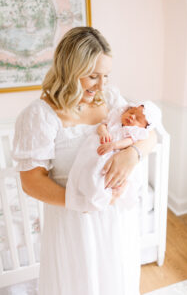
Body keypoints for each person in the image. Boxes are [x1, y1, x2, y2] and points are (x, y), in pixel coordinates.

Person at [12, 26, 157, 295]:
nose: (101, 85)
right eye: (92, 76)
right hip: (75, 222)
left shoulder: (111, 99)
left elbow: (150, 134)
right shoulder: (39, 116)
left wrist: (131, 155)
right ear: (69, 69)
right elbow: (31, 182)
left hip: (116, 222)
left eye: (105, 76)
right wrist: (82, 201)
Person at [66, 102, 161, 211]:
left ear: (144, 127)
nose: (132, 116)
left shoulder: (134, 132)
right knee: (89, 170)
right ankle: (86, 194)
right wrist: (104, 133)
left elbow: (129, 141)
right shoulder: (115, 120)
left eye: (138, 119)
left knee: (108, 178)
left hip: (114, 155)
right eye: (131, 111)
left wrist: (114, 145)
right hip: (98, 149)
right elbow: (101, 126)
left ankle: (105, 197)